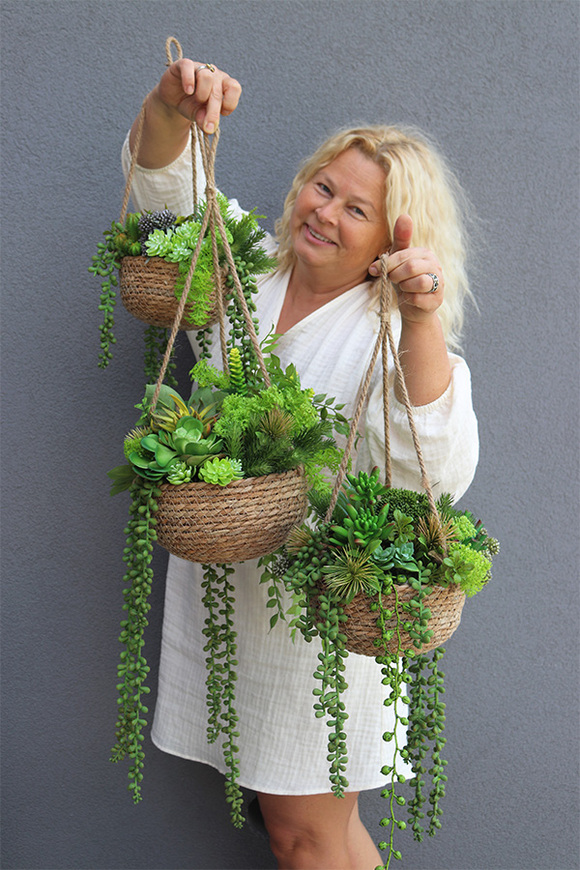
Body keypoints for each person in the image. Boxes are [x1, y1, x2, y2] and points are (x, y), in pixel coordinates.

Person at [123, 57, 479, 870]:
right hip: (240, 599)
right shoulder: (246, 269)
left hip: (319, 617)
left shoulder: (388, 328)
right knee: (311, 832)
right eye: (324, 188)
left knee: (303, 835)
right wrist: (170, 106)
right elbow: (167, 196)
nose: (326, 212)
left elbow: (437, 464)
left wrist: (422, 319)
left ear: (393, 238)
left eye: (358, 210)